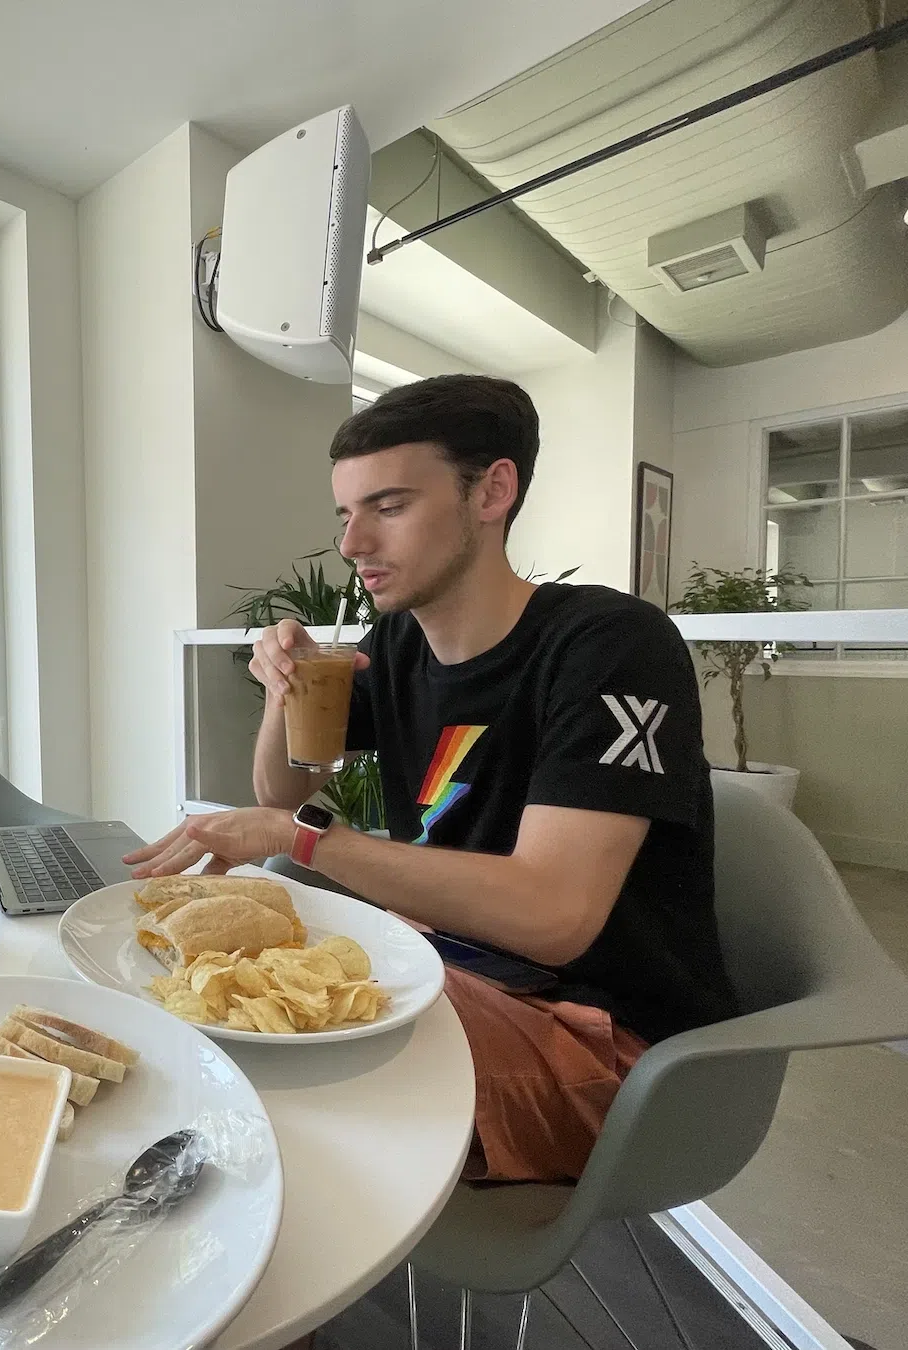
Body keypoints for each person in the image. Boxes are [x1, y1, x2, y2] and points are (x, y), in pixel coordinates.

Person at [125, 374, 737, 1183]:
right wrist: (284, 687)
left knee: (268, 1102)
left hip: (597, 1035)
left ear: (492, 490)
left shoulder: (610, 645)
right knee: (198, 1009)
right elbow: (282, 788)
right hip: (442, 972)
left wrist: (305, 840)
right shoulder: (400, 647)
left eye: (388, 506)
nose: (351, 545)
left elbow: (554, 914)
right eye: (346, 514)